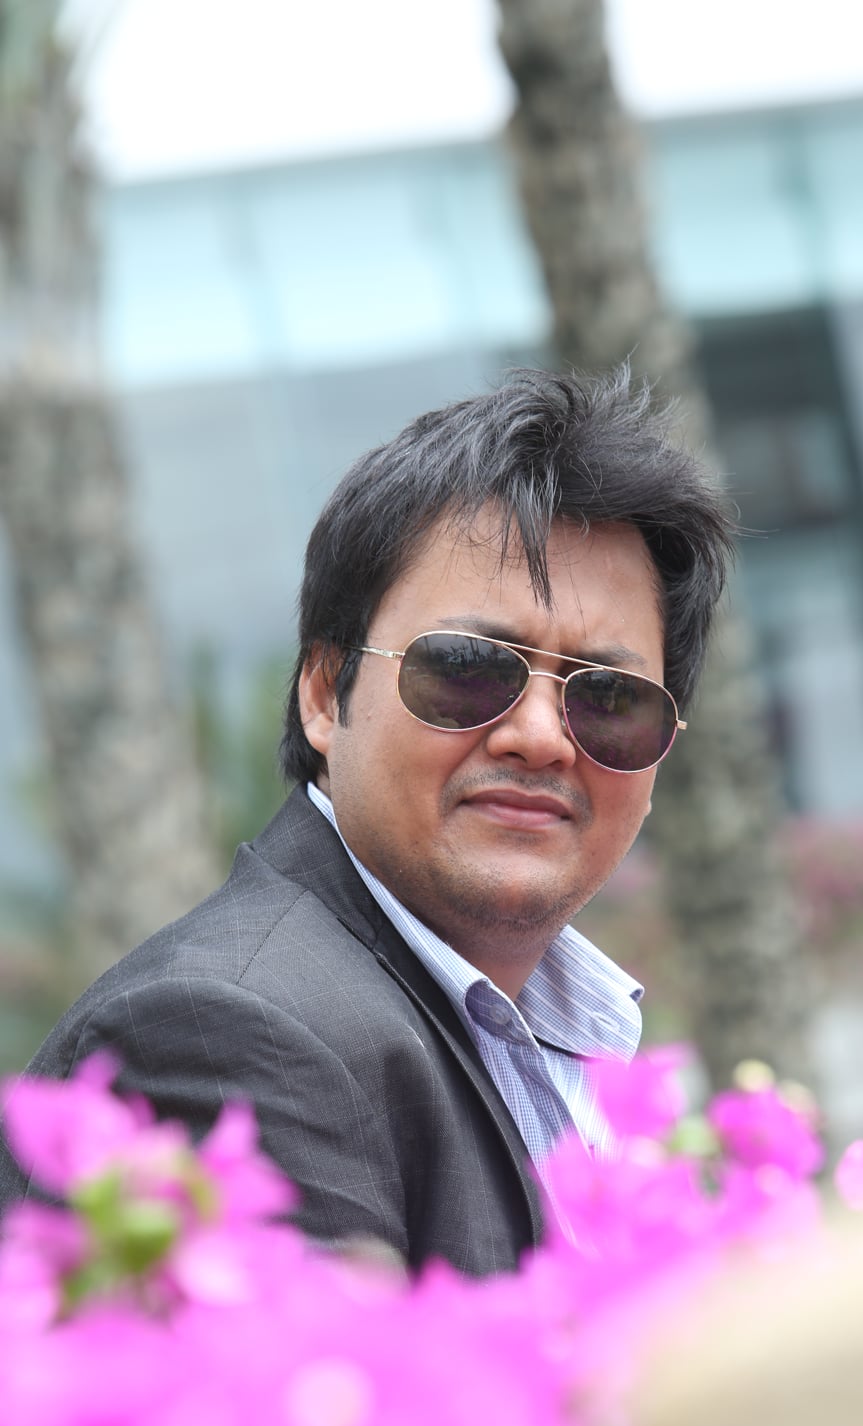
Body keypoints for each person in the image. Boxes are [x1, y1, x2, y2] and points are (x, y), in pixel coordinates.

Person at [3, 369, 732, 1275]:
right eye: (468, 667)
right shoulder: (224, 1034)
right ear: (323, 693)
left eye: (612, 698)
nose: (542, 737)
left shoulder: (561, 1032)